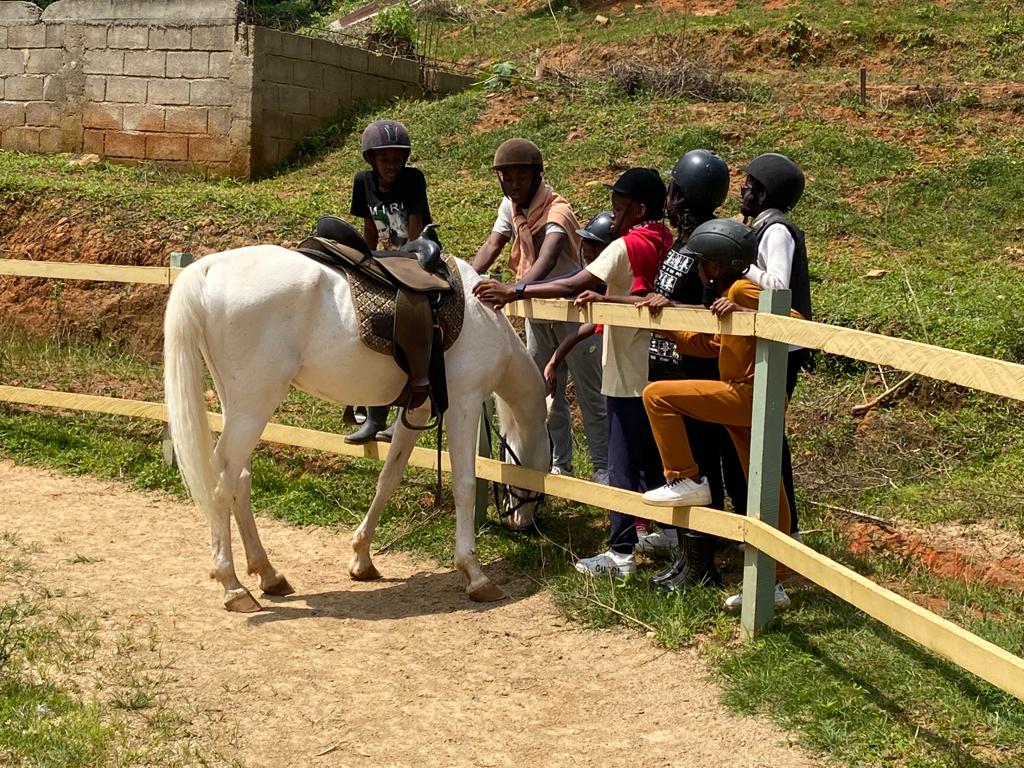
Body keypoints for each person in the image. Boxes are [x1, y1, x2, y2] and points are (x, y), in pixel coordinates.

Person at [476, 167, 673, 575]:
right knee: (652, 456)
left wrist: (514, 290)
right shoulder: (664, 240)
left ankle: (620, 553)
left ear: (639, 209)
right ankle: (668, 532)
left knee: (621, 463)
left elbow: (570, 283)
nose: (613, 216)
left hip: (625, 368)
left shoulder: (627, 245)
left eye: (619, 208)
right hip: (656, 369)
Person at [639, 218, 803, 609]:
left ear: (715, 264)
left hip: (747, 395)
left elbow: (795, 323)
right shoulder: (729, 293)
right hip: (747, 399)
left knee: (658, 396)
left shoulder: (742, 290)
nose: (698, 268)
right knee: (768, 488)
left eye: (700, 262)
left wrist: (746, 308)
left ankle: (684, 477)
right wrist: (668, 327)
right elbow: (713, 345)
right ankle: (775, 582)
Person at [637, 149, 748, 589]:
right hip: (669, 363)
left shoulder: (709, 242)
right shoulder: (682, 241)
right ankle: (687, 558)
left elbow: (711, 306)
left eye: (673, 190)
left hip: (695, 368)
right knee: (684, 474)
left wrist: (674, 309)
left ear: (680, 193)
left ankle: (702, 565)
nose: (668, 198)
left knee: (700, 470)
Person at [472, 139, 608, 482]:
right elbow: (493, 244)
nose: (514, 185)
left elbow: (546, 260)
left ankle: (604, 470)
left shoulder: (557, 212)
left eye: (521, 177)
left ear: (537, 176)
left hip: (572, 311)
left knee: (590, 395)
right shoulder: (510, 207)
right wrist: (467, 277)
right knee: (545, 391)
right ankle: (560, 463)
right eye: (507, 178)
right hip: (537, 311)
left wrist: (513, 290)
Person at [338, 119, 436, 445]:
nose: (392, 165)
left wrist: (405, 262)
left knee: (411, 325)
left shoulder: (413, 179)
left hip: (417, 256)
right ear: (371, 159)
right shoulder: (362, 182)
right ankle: (373, 414)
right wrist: (365, 261)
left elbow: (416, 228)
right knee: (372, 328)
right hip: (383, 260)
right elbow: (369, 227)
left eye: (397, 158)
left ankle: (410, 408)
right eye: (384, 159)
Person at [739, 152, 811, 535]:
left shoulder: (777, 231)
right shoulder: (761, 227)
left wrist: (740, 266)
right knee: (758, 432)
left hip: (783, 346)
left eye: (749, 185)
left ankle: (786, 527)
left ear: (765, 193)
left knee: (768, 435)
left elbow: (779, 286)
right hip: (767, 341)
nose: (742, 190)